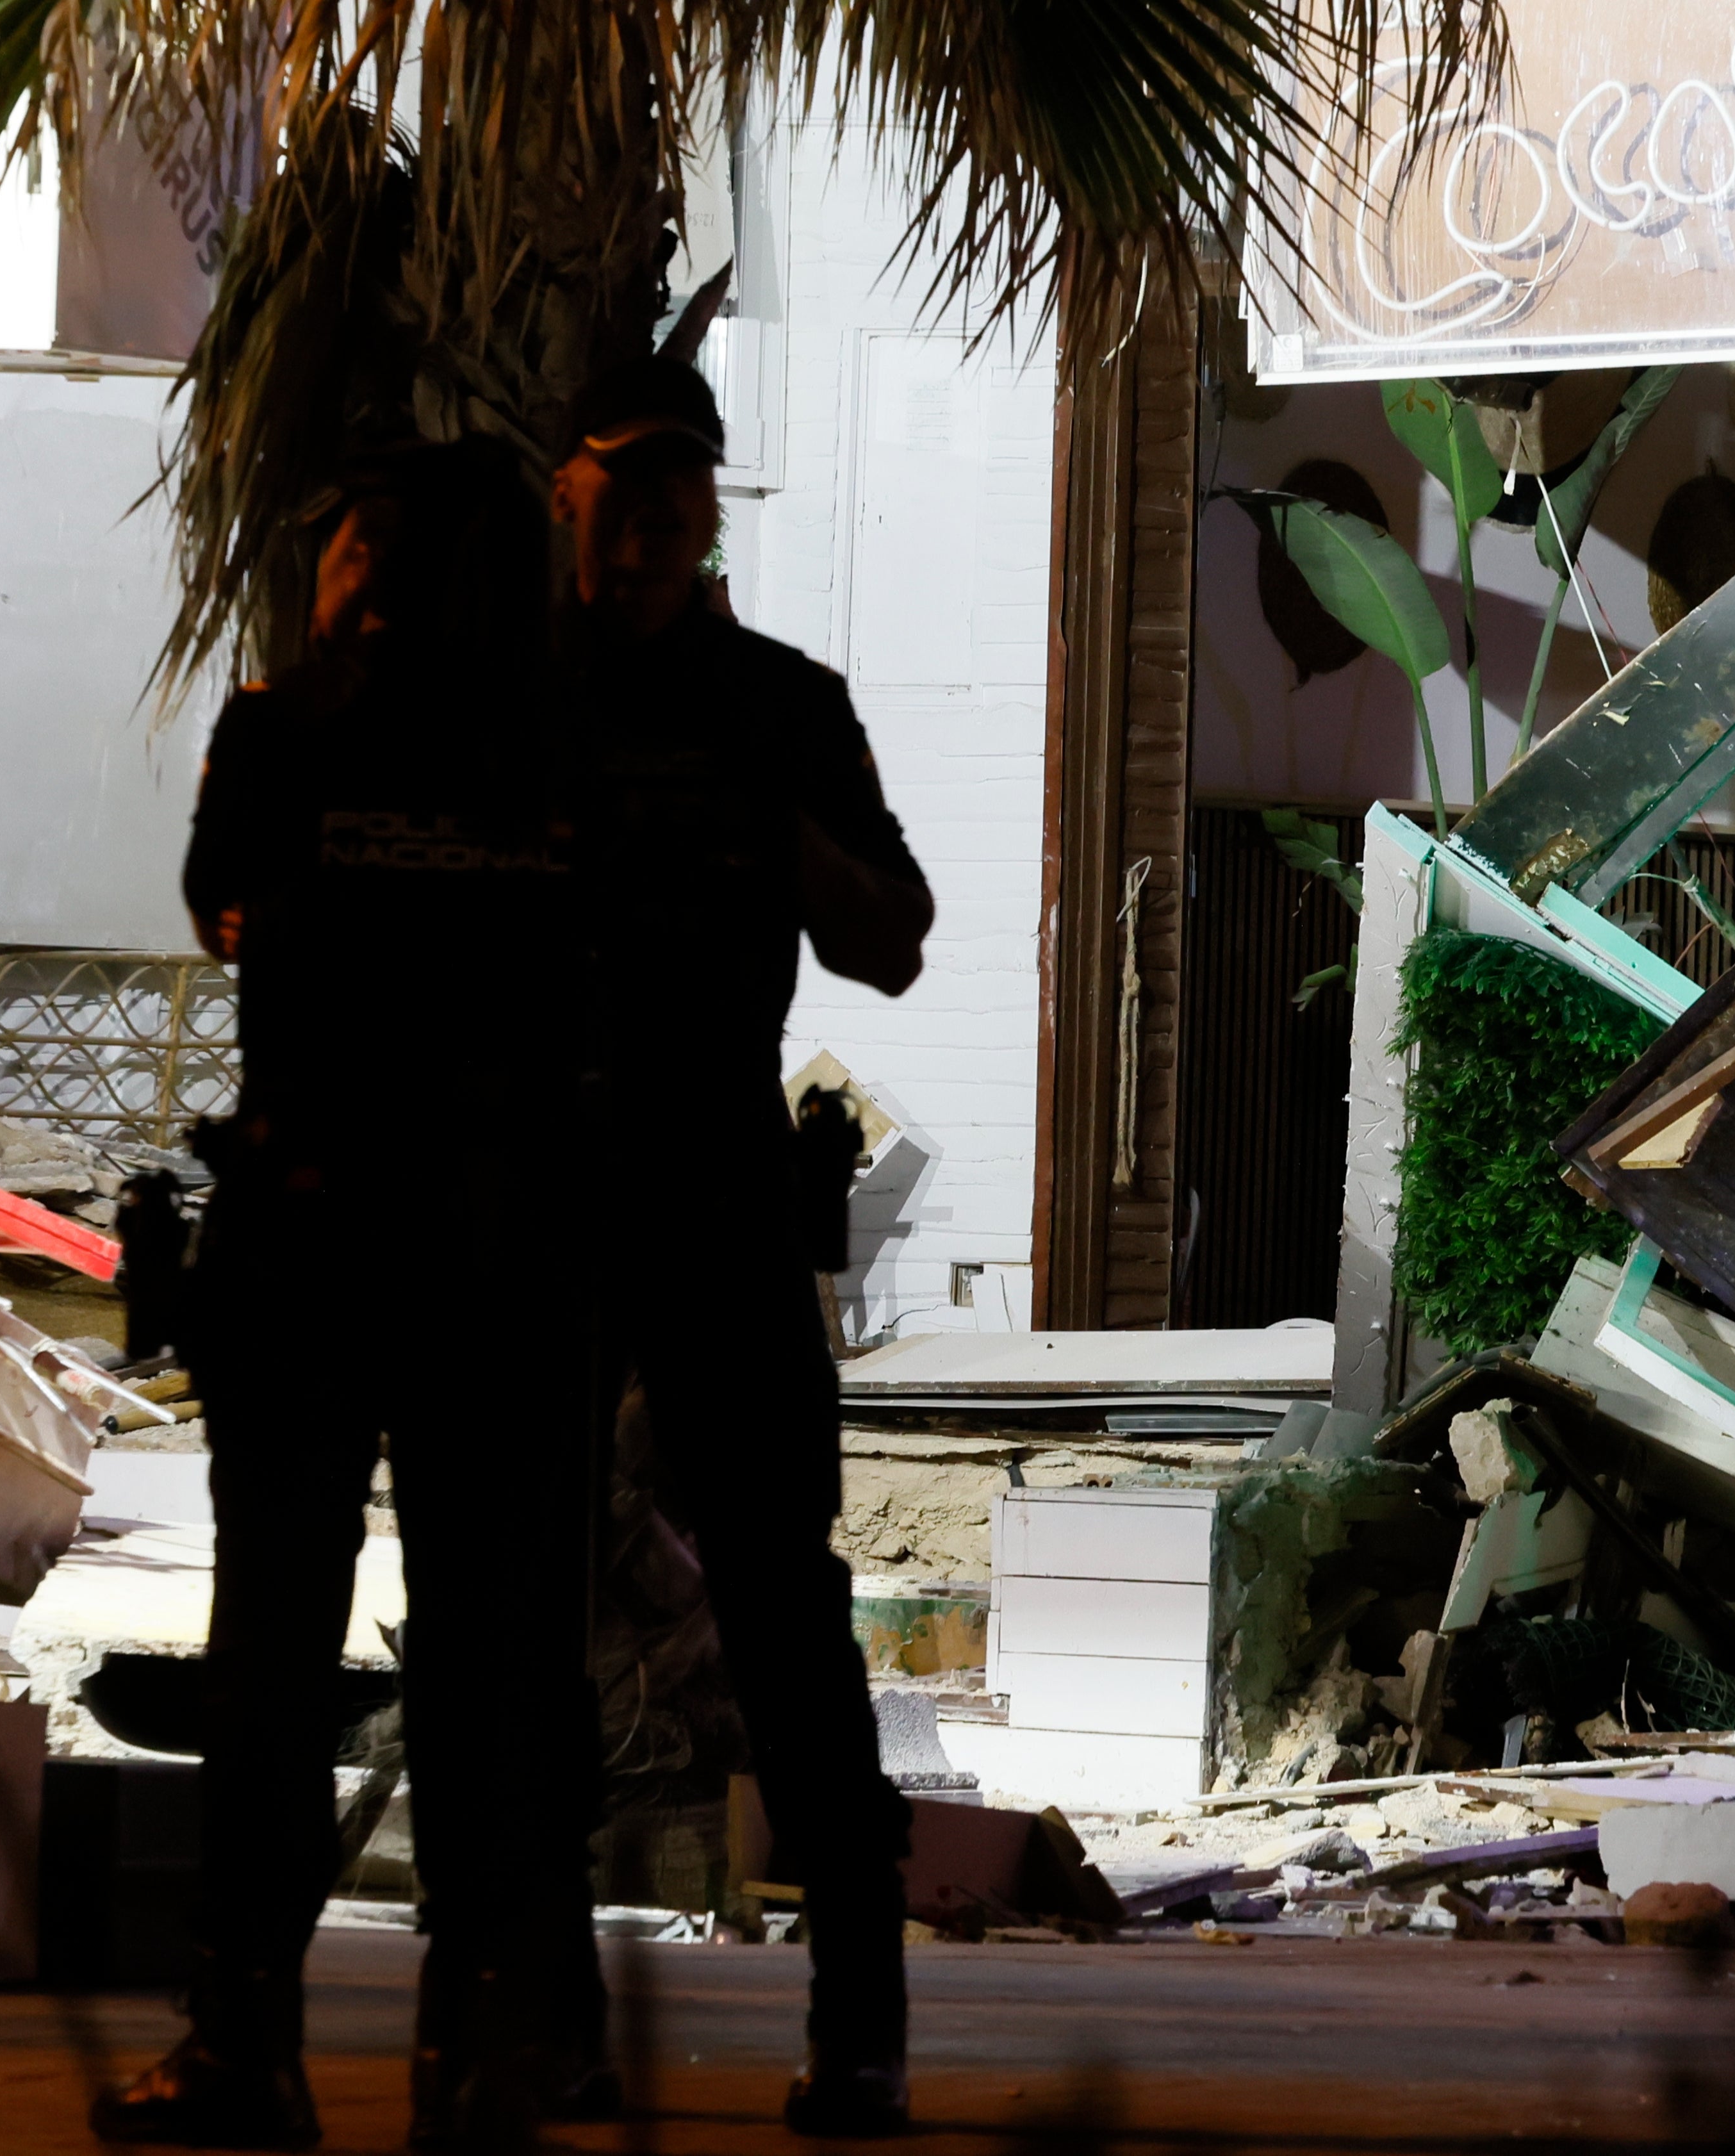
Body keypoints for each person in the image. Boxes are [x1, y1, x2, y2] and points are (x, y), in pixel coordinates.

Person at [95, 440, 609, 2153]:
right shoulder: (557, 745)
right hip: (493, 1253)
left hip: (320, 1241)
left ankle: (252, 2045)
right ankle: (479, 2055)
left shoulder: (282, 730)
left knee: (278, 1663)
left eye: (348, 556)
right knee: (487, 1664)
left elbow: (226, 915)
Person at [551, 355, 931, 2137]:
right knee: (516, 1618)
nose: (639, 532)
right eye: (610, 499)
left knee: (787, 1614)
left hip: (711, 1196)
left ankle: (860, 2024)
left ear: (709, 513)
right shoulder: (503, 700)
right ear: (562, 504)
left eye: (670, 500)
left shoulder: (780, 704)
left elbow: (894, 940)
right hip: (537, 1207)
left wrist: (763, 828)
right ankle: (534, 2012)